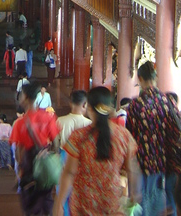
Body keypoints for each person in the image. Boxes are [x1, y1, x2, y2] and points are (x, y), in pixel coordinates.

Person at [53, 86, 138, 216]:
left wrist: (59, 202)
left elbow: (69, 172)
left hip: (83, 203)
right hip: (111, 202)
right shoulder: (124, 136)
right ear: (110, 108)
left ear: (90, 108)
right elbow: (131, 169)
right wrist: (134, 194)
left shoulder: (79, 136)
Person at [125, 61, 181, 216]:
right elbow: (176, 131)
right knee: (161, 198)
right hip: (164, 160)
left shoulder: (135, 105)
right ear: (155, 78)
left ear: (140, 79)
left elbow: (128, 136)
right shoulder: (168, 102)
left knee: (141, 200)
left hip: (141, 161)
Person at [9, 82, 60, 216]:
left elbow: (19, 151)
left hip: (29, 170)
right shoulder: (48, 117)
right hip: (44, 168)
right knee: (46, 202)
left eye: (20, 95)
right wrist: (50, 159)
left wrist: (19, 171)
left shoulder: (19, 123)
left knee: (31, 207)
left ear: (25, 97)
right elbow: (56, 143)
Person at [55, 90, 91, 216]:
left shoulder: (60, 121)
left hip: (64, 156)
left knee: (63, 192)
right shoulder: (89, 124)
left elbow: (55, 143)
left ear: (70, 103)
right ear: (85, 104)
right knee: (80, 192)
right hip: (83, 160)